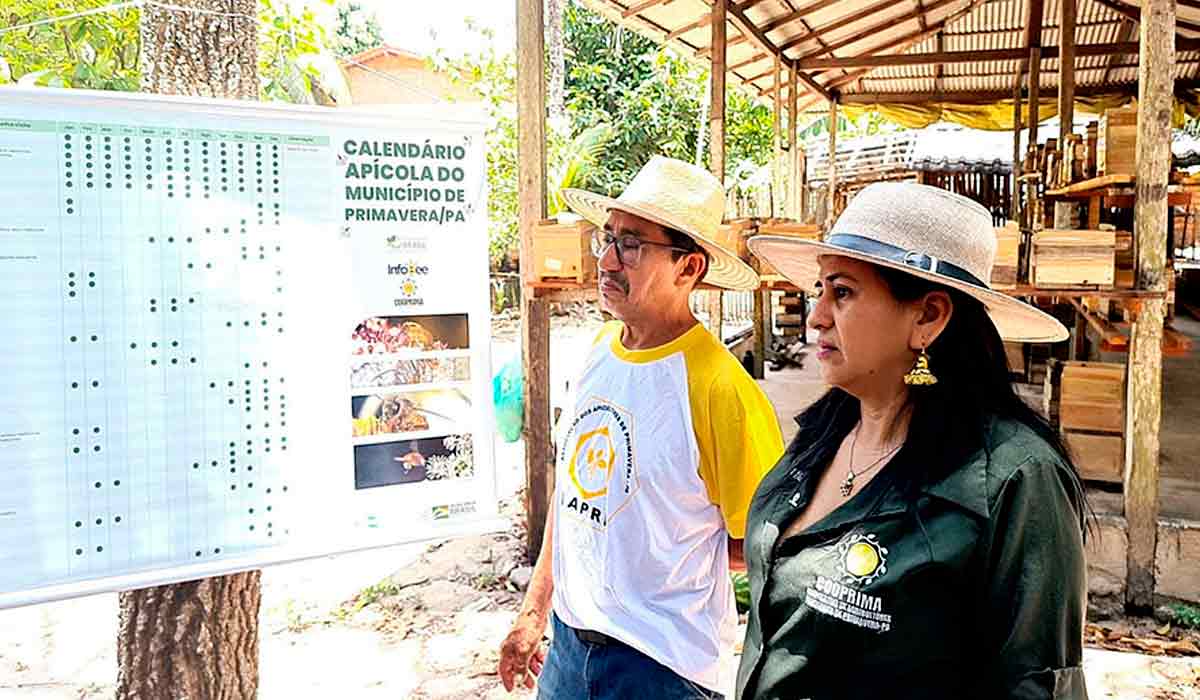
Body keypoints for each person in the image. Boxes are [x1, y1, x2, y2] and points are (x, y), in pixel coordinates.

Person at [736, 182, 1090, 700]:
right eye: (819, 291)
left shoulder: (1015, 478)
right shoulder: (823, 434)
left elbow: (1035, 683)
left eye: (843, 292)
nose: (816, 317)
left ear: (927, 317)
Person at [498, 156, 785, 699]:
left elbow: (766, 541)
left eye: (631, 245)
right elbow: (573, 496)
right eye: (607, 239)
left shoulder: (721, 390)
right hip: (567, 650)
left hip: (661, 671)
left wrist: (672, 546)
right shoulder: (600, 352)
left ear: (689, 268)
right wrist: (534, 613)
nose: (607, 260)